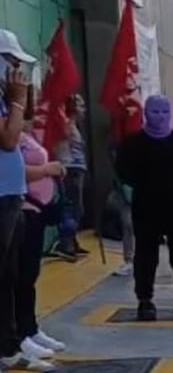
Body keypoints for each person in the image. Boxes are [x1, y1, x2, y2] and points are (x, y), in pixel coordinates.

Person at [116, 95, 173, 322]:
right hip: (146, 207)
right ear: (146, 113)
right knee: (145, 255)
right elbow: (122, 171)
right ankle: (145, 300)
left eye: (165, 112)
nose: (160, 117)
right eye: (155, 112)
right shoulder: (134, 143)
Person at [8, 86, 66, 371]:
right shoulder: (12, 134)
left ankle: (30, 329)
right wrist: (46, 171)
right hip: (23, 210)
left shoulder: (28, 135)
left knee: (29, 275)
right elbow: (15, 165)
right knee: (17, 276)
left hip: (36, 212)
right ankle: (18, 334)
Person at [0, 29, 35, 373]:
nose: (15, 71)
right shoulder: (9, 98)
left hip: (10, 197)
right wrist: (19, 99)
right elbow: (9, 139)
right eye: (10, 62)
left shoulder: (5, 98)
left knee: (9, 277)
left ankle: (8, 346)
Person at [53, 94, 88, 261]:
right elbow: (61, 138)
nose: (83, 110)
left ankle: (72, 241)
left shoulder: (75, 125)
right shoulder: (66, 123)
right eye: (80, 106)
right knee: (72, 208)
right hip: (69, 168)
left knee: (77, 208)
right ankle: (65, 243)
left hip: (77, 168)